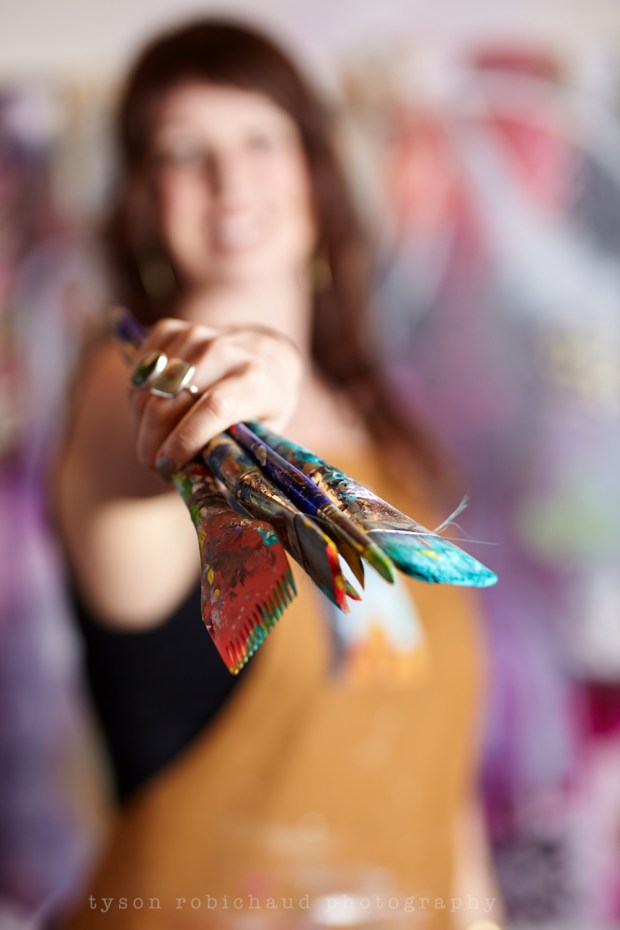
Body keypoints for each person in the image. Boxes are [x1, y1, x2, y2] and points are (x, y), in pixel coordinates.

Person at [52, 18, 500, 930]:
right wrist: (252, 358)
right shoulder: (123, 387)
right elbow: (146, 408)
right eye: (186, 152)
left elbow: (439, 789)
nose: (231, 180)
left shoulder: (392, 436)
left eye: (261, 139)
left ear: (315, 170)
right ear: (143, 200)